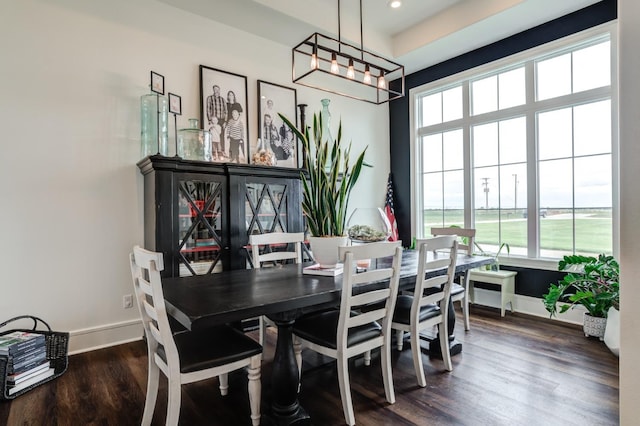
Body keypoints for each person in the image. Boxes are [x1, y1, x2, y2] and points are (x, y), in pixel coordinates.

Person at [206, 85, 227, 153]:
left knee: (221, 136)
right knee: (213, 135)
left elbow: (226, 111)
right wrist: (210, 120)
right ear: (213, 90)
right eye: (215, 89)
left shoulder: (223, 99)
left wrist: (225, 121)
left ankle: (221, 151)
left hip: (221, 120)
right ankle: (213, 152)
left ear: (219, 90)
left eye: (218, 89)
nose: (216, 91)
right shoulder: (210, 98)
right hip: (213, 119)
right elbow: (208, 109)